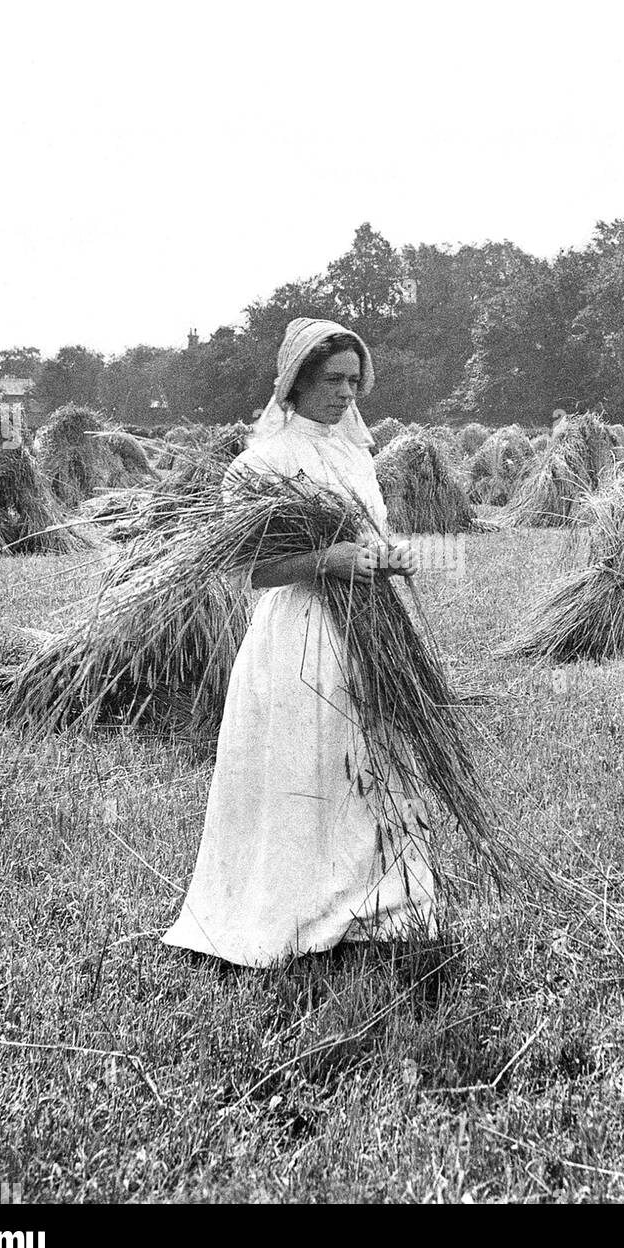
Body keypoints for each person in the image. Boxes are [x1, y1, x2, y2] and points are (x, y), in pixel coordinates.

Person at [162, 317, 437, 967]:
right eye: (335, 380)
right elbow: (256, 571)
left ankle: (375, 900)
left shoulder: (354, 452)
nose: (348, 393)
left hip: (369, 627)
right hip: (302, 636)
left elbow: (367, 534)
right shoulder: (263, 464)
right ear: (299, 380)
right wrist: (327, 560)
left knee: (368, 758)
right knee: (304, 764)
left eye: (355, 380)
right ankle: (293, 909)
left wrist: (383, 556)